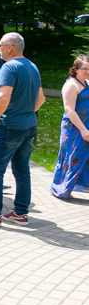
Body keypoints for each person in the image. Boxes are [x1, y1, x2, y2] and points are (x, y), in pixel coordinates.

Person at [0, 33, 45, 225]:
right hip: (28, 125)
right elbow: (41, 99)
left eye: (1, 45)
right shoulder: (32, 66)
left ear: (10, 47)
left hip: (8, 125)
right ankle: (20, 213)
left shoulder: (9, 67)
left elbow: (3, 97)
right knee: (22, 170)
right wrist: (26, 112)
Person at [52, 55, 89, 198]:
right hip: (74, 128)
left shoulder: (85, 83)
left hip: (85, 125)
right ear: (75, 69)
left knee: (82, 158)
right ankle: (60, 189)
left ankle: (78, 185)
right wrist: (83, 129)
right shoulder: (71, 85)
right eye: (84, 69)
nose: (87, 71)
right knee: (70, 157)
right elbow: (69, 110)